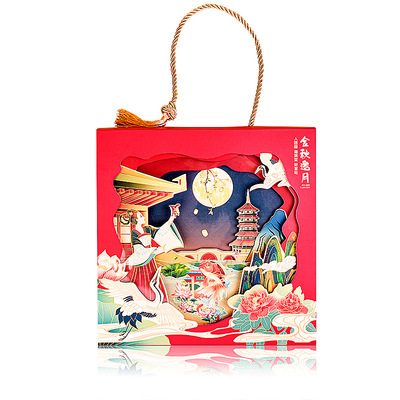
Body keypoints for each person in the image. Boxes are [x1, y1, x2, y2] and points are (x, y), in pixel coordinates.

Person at [120, 204, 182, 303]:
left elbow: (161, 233)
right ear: (136, 220)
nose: (143, 217)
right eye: (141, 216)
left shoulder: (147, 229)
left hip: (150, 260)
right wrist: (153, 250)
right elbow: (139, 249)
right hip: (141, 262)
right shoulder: (134, 233)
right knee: (142, 283)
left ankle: (158, 301)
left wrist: (172, 217)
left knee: (154, 280)